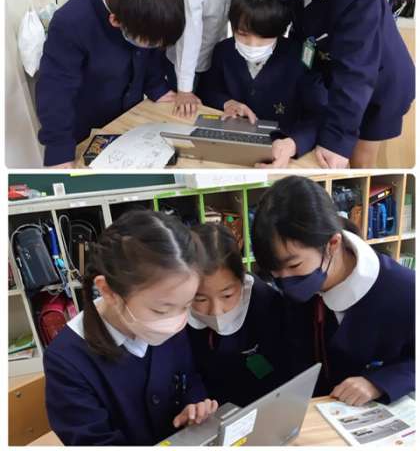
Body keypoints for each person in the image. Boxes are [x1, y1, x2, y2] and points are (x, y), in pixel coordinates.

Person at [262, 0, 415, 168]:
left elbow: (356, 71)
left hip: (379, 80)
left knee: (359, 163)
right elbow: (298, 36)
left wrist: (336, 140)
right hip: (333, 68)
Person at [44, 210, 218, 445]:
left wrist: (194, 407)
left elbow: (188, 377)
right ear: (108, 291)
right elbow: (92, 441)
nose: (176, 321)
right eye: (161, 311)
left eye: (186, 305)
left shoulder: (168, 317)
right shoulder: (67, 360)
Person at [252, 176, 415, 405]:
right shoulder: (292, 286)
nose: (285, 281)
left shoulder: (404, 290)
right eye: (274, 272)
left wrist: (378, 382)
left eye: (294, 265)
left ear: (333, 244)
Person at [37, 0, 185, 168]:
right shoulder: (71, 23)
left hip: (129, 117)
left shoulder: (146, 1)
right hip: (85, 125)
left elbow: (150, 53)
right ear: (115, 20)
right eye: (151, 43)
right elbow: (55, 90)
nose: (155, 47)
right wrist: (59, 149)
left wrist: (157, 87)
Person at [200, 0, 328, 167]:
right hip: (231, 146)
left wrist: (293, 143)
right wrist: (227, 103)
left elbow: (318, 114)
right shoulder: (223, 51)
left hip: (283, 150)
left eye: (264, 37)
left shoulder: (302, 56)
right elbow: (207, 91)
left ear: (279, 30)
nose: (253, 45)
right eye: (243, 34)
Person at [187, 223, 291, 407]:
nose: (216, 311)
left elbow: (276, 371)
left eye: (227, 295)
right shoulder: (177, 314)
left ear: (242, 279)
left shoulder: (265, 304)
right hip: (205, 411)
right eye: (200, 299)